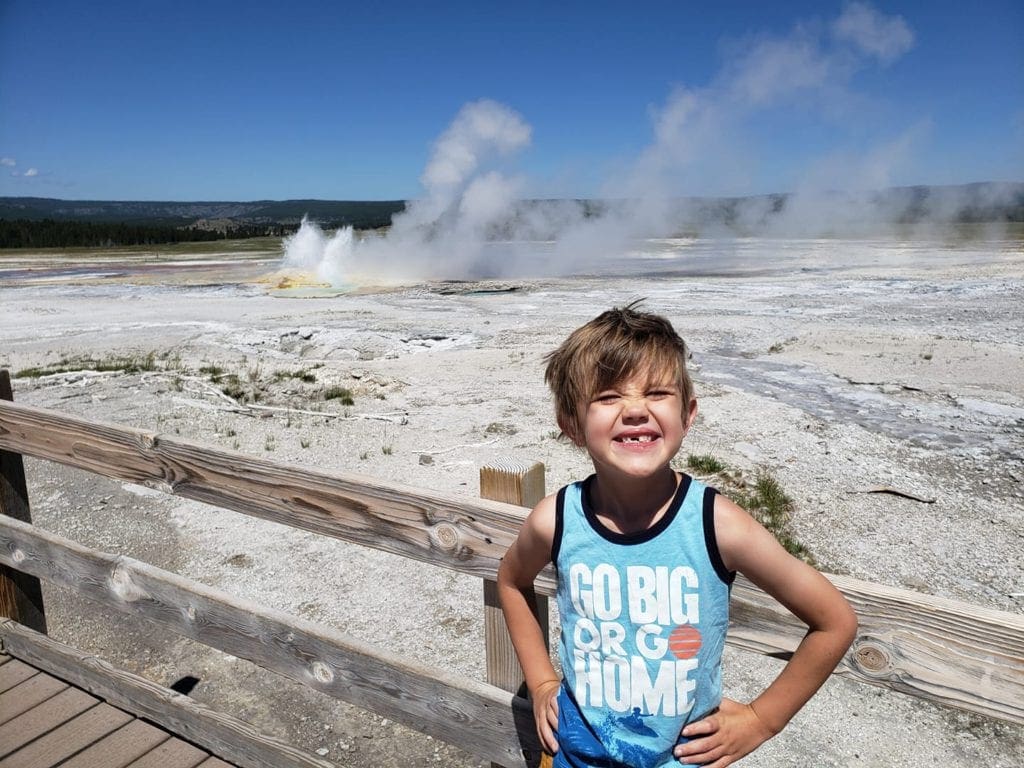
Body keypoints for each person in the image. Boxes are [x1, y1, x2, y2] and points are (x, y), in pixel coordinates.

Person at [497, 302, 857, 768]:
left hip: (683, 758)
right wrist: (543, 682)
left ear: (687, 414)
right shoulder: (557, 518)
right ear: (571, 425)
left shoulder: (716, 524)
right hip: (577, 753)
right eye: (607, 397)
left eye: (657, 392)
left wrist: (762, 720)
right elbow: (510, 580)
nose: (634, 410)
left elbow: (835, 621)